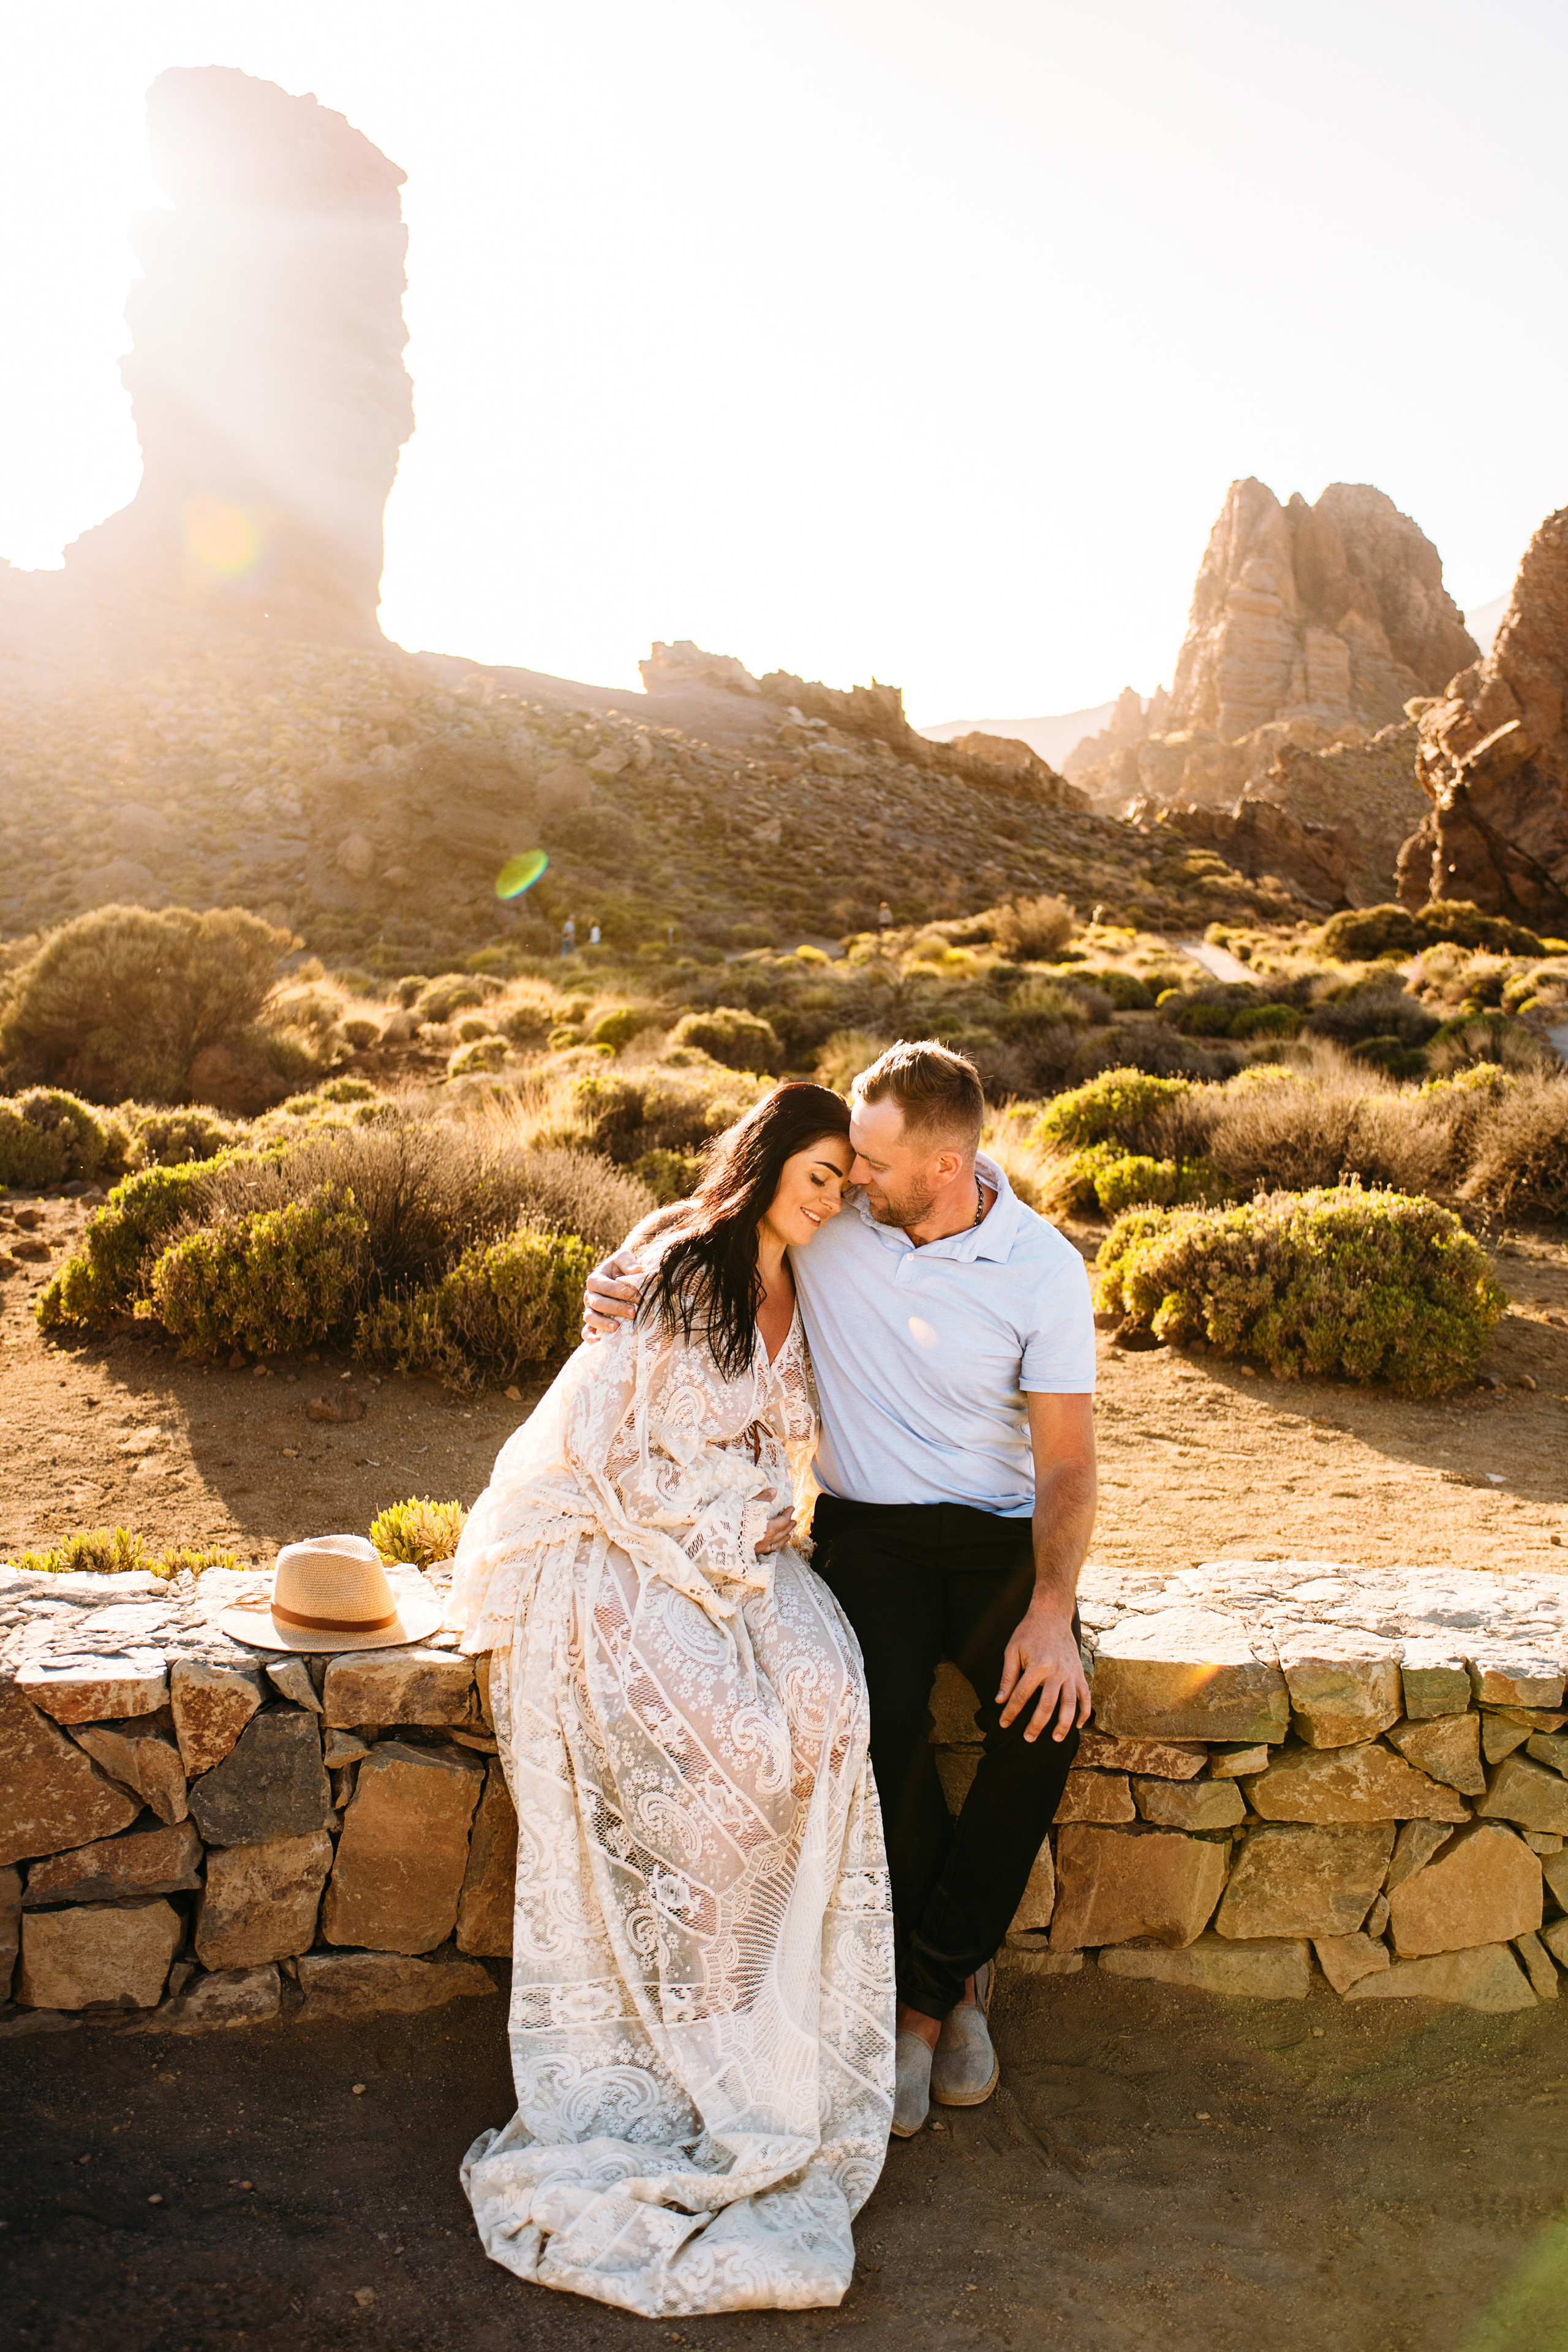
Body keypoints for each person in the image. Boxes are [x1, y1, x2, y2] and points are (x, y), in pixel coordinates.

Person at [586, 1041, 1096, 2141]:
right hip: (867, 1535)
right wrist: (626, 1257)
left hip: (1000, 1540)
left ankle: (930, 1992)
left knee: (1048, 1714)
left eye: (872, 1160)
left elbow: (1066, 1464)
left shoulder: (1043, 1269)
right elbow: (726, 1204)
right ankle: (942, 2002)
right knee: (875, 1716)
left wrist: (1051, 1613)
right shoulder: (842, 1222)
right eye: (848, 1161)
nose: (853, 1177)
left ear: (948, 1166)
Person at [447, 1082, 895, 2317]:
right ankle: (685, 2024)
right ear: (763, 1169)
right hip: (618, 1534)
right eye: (816, 1178)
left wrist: (751, 1513)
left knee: (825, 1700)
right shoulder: (677, 1258)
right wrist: (708, 1525)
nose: (834, 1200)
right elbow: (595, 1444)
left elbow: (769, 1437)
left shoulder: (807, 1274)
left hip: (738, 1538)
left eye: (845, 1184)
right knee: (733, 1746)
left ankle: (777, 2004)